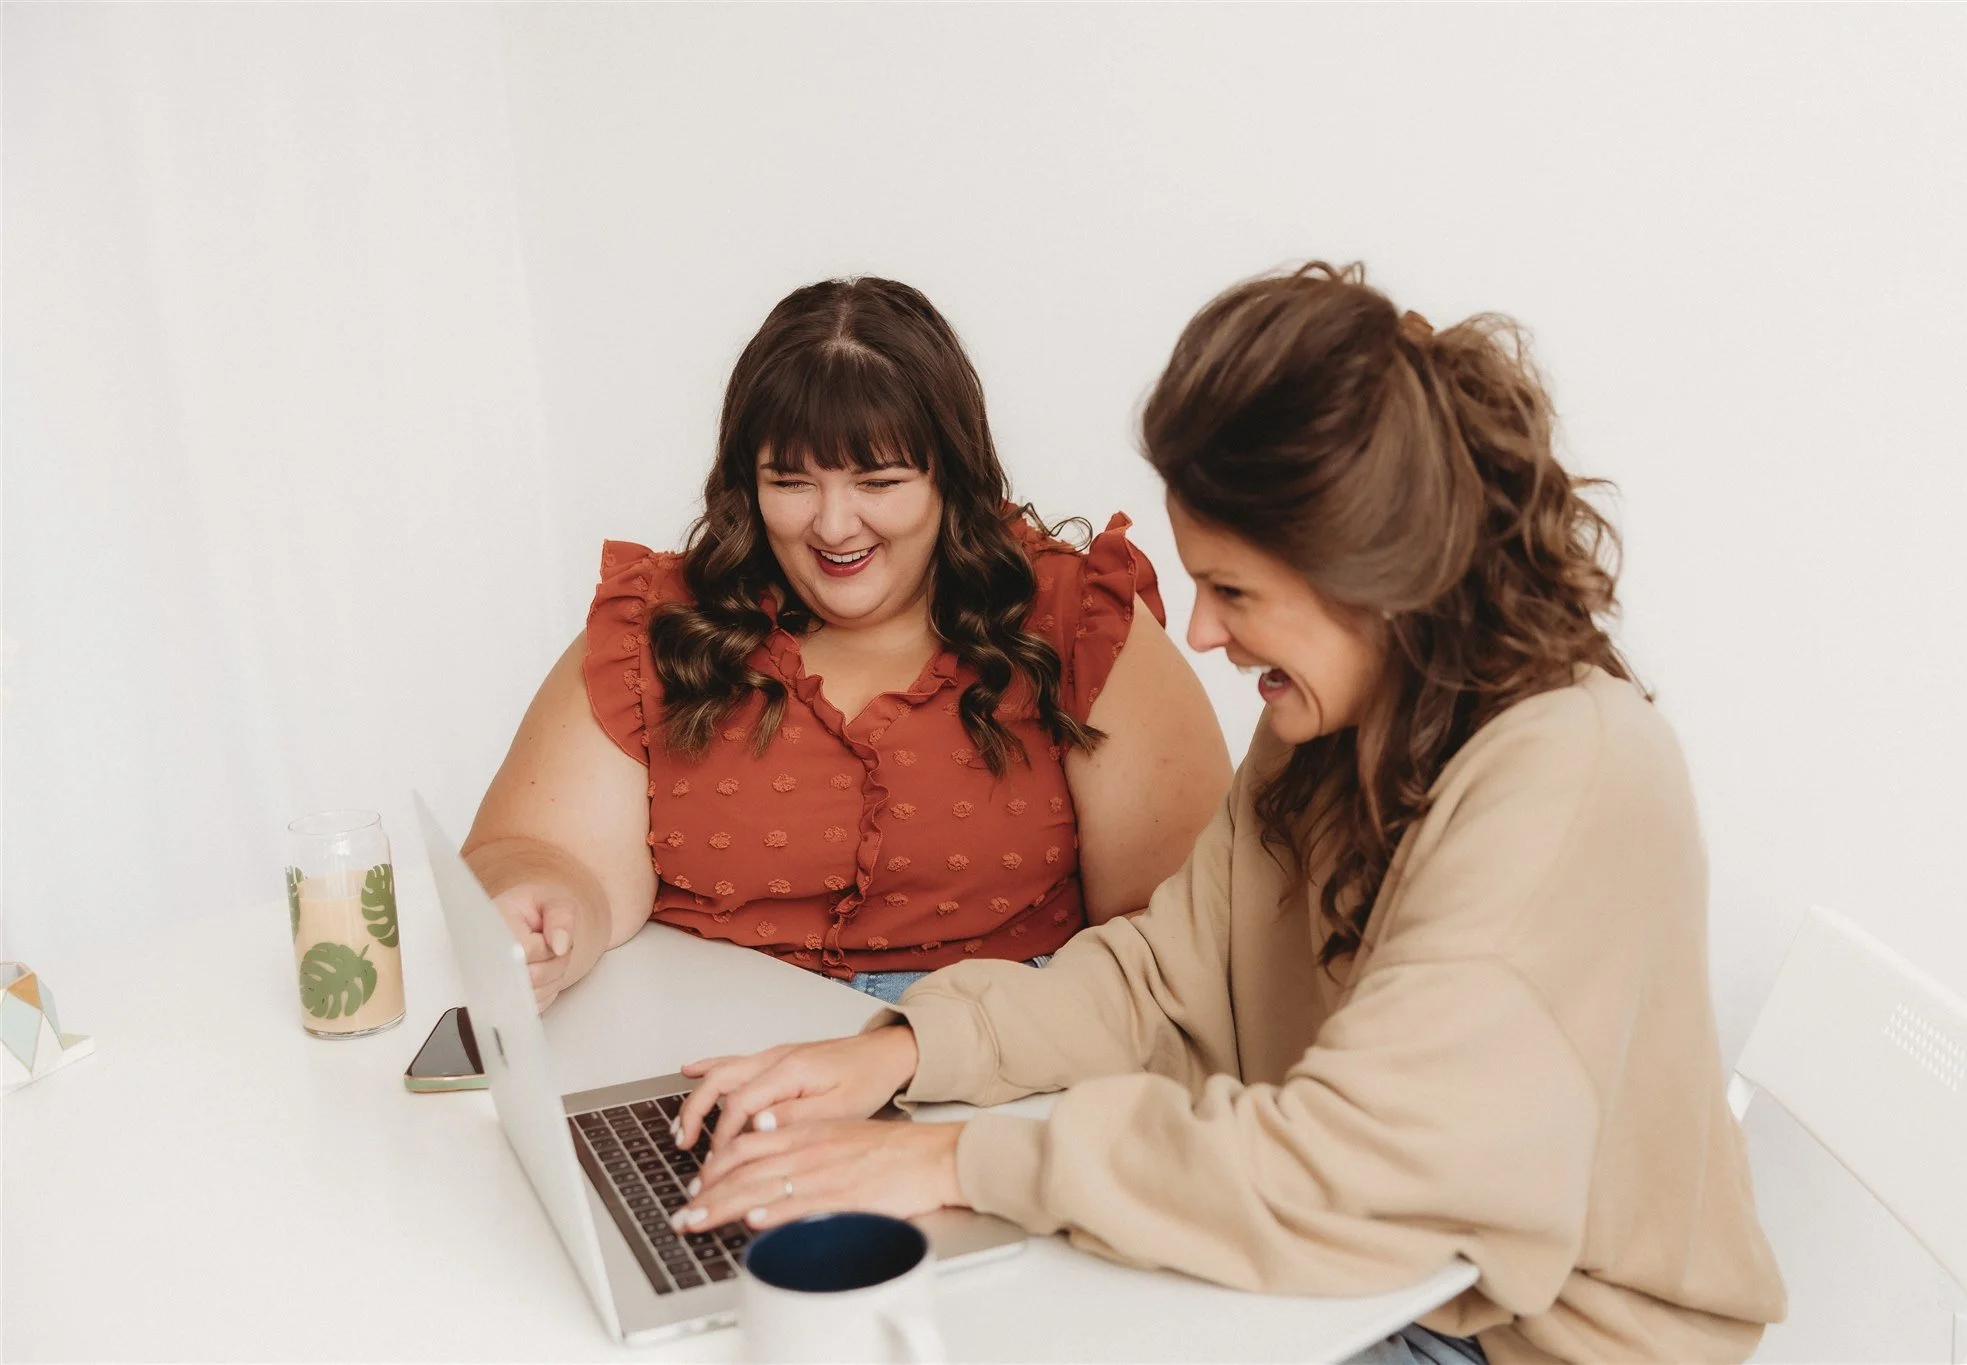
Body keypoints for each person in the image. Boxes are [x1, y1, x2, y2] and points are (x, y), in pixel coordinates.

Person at [664, 264, 1789, 1364]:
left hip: (1517, 1336)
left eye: (1233, 592)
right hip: (1370, 1276)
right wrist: (906, 1054)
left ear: (1373, 571)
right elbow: (1165, 977)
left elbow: (1365, 1174)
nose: (1198, 633)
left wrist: (968, 1167)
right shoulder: (1334, 718)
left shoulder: (1566, 777)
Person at [463, 277, 1230, 1008]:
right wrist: (543, 909)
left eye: (879, 481)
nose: (833, 526)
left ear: (949, 477)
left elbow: (1176, 930)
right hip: (714, 1058)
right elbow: (540, 854)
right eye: (792, 482)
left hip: (993, 1067)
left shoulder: (1075, 620)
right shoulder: (658, 625)